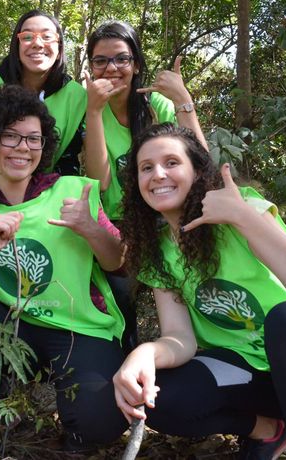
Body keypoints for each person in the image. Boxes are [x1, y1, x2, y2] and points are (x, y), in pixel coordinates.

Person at [113, 123, 286, 459]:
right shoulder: (157, 252)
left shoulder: (241, 210)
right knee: (158, 396)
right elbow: (180, 338)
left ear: (196, 170)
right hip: (267, 382)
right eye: (146, 168)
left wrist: (243, 217)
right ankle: (270, 430)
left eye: (172, 162)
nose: (158, 174)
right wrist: (144, 354)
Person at [0, 85, 129, 450]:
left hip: (77, 328)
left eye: (34, 138)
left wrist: (91, 228)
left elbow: (117, 261)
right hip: (6, 328)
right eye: (10, 137)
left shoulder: (73, 190)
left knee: (97, 427)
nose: (23, 148)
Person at [83, 20, 208, 351]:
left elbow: (201, 167)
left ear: (136, 64)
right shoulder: (90, 108)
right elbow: (100, 181)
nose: (112, 68)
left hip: (165, 218)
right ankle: (128, 360)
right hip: (118, 225)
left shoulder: (158, 106)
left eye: (121, 59)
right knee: (121, 305)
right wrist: (94, 112)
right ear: (92, 66)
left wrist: (182, 97)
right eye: (101, 60)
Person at [0, 9, 88, 175]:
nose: (37, 43)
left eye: (47, 37)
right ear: (16, 46)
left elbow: (69, 161)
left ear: (59, 49)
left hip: (53, 196)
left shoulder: (76, 96)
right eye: (27, 37)